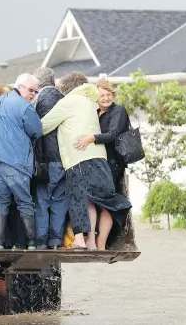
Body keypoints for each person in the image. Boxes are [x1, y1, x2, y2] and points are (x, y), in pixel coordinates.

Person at [40, 81, 133, 251]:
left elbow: (43, 126)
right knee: (95, 200)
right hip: (100, 158)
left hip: (78, 157)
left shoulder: (68, 101)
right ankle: (93, 243)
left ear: (66, 91)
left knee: (76, 198)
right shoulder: (90, 104)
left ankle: (80, 240)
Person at [0, 73, 42, 250]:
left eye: (36, 92)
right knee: (24, 201)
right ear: (20, 86)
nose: (33, 95)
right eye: (31, 90)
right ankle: (31, 243)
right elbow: (37, 131)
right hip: (15, 160)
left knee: (0, 200)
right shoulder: (24, 107)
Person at [73, 79, 132, 249]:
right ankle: (93, 240)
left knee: (107, 203)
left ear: (113, 95)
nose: (105, 98)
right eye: (102, 96)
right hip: (99, 163)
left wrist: (91, 138)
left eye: (108, 95)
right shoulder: (96, 112)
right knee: (93, 200)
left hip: (113, 164)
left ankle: (101, 244)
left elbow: (112, 134)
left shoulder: (118, 110)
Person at [31, 67, 67, 250]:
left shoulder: (38, 100)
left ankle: (41, 242)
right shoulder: (63, 99)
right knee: (60, 200)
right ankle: (55, 241)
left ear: (38, 82)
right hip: (64, 158)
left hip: (45, 160)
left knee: (42, 201)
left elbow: (37, 131)